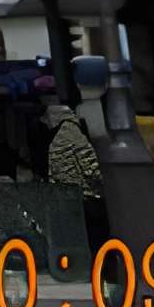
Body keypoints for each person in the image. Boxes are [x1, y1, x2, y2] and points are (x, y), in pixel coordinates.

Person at [48, 100, 111, 254]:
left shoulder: (58, 137)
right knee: (98, 238)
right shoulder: (74, 134)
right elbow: (90, 166)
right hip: (87, 196)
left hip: (69, 198)